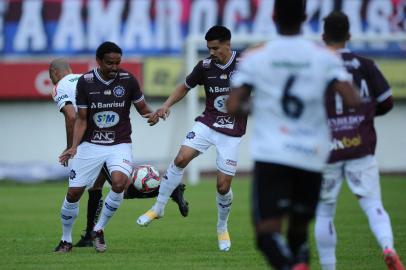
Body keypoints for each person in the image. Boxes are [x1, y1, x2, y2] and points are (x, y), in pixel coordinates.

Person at [228, 0, 360, 269]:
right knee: (298, 233)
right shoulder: (324, 56)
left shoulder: (256, 56)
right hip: (311, 155)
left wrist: (260, 104)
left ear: (273, 16)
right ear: (305, 16)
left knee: (267, 234)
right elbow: (352, 100)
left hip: (272, 155)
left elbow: (232, 106)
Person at [53, 41, 181, 253]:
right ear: (98, 61)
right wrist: (74, 147)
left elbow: (142, 108)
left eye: (118, 62)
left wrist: (154, 114)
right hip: (90, 144)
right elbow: (82, 118)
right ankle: (66, 239)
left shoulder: (128, 80)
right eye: (109, 63)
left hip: (119, 143)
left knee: (120, 183)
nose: (114, 67)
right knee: (74, 193)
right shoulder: (85, 82)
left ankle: (99, 229)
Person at [137, 25, 247, 252]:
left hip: (233, 130)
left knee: (223, 186)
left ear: (228, 44)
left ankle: (222, 226)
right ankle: (158, 208)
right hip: (207, 123)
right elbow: (184, 87)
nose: (212, 52)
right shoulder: (205, 66)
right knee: (180, 159)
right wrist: (166, 105)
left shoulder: (245, 64)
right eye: (209, 48)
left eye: (216, 48)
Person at [314, 11, 405, 270]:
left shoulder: (317, 66)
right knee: (373, 204)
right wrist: (363, 116)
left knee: (324, 211)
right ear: (349, 36)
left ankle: (329, 267)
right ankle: (388, 247)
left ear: (323, 37)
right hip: (360, 145)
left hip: (327, 148)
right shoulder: (365, 65)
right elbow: (385, 102)